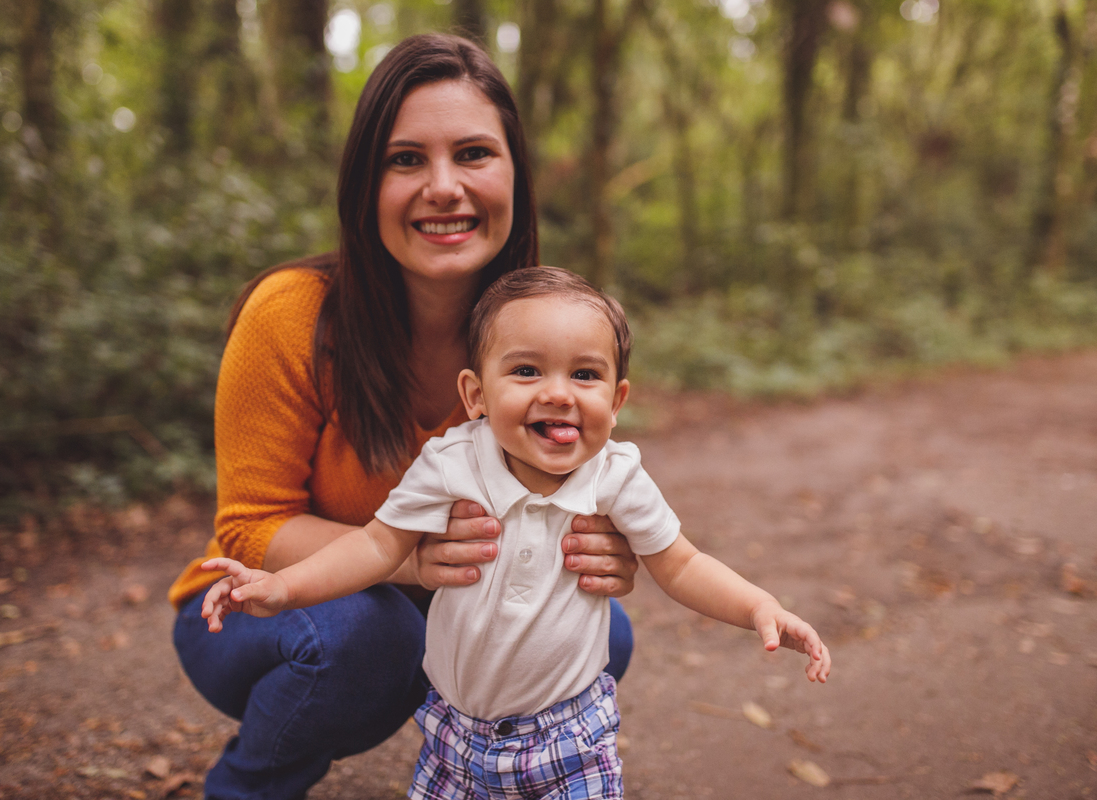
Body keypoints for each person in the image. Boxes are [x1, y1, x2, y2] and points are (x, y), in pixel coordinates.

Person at [167, 34, 640, 799]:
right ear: (366, 184)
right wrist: (407, 559)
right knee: (371, 633)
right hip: (261, 610)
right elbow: (250, 526)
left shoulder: (542, 337)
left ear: (514, 173)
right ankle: (248, 787)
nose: (444, 186)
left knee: (600, 629)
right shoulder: (292, 315)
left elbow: (571, 500)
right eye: (406, 159)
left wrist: (602, 550)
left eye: (475, 154)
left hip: (433, 610)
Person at [200, 267, 832, 800]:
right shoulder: (452, 463)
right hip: (456, 735)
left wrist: (759, 606)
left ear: (617, 400)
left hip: (571, 737)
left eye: (585, 376)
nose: (558, 394)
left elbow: (683, 565)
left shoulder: (616, 476)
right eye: (527, 371)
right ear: (476, 394)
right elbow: (373, 545)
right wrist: (283, 588)